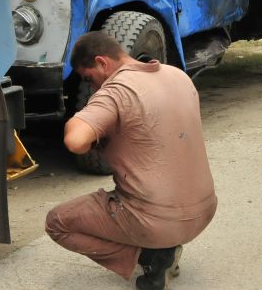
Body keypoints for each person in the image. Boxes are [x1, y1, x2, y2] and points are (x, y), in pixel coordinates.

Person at [45, 31, 217, 290]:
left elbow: (76, 141)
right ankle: (161, 247)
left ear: (102, 63)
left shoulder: (117, 90)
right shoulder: (178, 76)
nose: (93, 87)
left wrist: (81, 118)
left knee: (57, 222)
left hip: (157, 221)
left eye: (89, 79)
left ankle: (152, 257)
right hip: (205, 211)